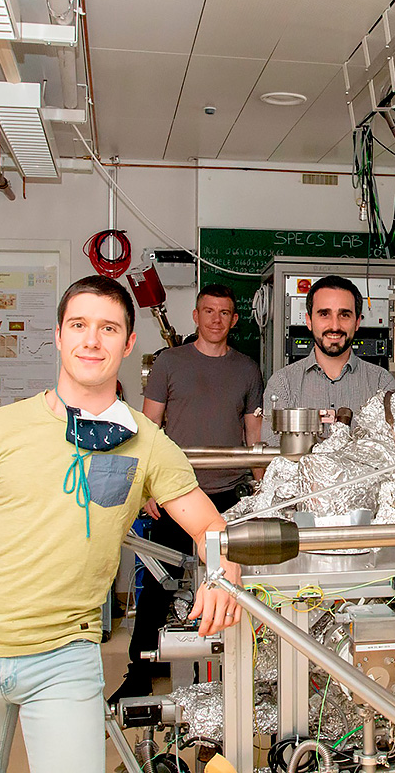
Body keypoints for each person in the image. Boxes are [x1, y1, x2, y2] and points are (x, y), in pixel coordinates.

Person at [0, 275, 242, 773]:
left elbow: (211, 525)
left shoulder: (147, 442)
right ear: (58, 335)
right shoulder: (0, 429)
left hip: (64, 657)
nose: (92, 340)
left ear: (128, 343)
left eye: (109, 328)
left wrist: (223, 571)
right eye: (79, 325)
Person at [110, 283, 263, 702]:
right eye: (208, 311)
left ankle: (232, 678)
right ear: (195, 316)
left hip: (230, 496)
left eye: (225, 312)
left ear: (234, 320)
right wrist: (147, 488)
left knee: (232, 586)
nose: (216, 319)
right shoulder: (170, 362)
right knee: (158, 588)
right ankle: (139, 673)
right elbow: (147, 428)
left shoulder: (247, 369)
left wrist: (262, 487)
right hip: (176, 497)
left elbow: (254, 435)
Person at [261, 275, 395, 444]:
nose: (334, 326)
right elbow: (271, 454)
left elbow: (394, 450)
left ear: (357, 322)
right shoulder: (283, 384)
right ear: (309, 321)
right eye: (324, 314)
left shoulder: (381, 382)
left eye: (344, 315)